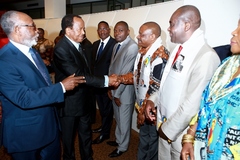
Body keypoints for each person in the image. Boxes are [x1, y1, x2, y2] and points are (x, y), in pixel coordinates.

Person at [0, 10, 85, 160]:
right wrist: (62, 87)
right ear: (18, 29)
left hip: (49, 127)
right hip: (26, 134)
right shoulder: (4, 61)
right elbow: (24, 98)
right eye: (32, 26)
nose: (37, 30)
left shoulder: (32, 52)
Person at [145, 5, 220, 159]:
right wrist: (152, 100)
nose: (169, 28)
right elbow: (166, 84)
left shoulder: (206, 56)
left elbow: (194, 102)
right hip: (164, 126)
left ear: (186, 25)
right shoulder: (178, 49)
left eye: (172, 23)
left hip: (179, 135)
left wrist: (167, 129)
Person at [52, 14, 118, 160]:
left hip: (84, 101)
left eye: (84, 28)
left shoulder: (79, 45)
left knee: (86, 136)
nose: (84, 32)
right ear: (68, 31)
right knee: (68, 142)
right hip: (69, 104)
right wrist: (107, 80)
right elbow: (80, 75)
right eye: (80, 29)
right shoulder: (61, 48)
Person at [181, 18, 240, 160]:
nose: (233, 32)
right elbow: (206, 103)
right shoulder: (226, 65)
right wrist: (190, 136)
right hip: (204, 151)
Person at [117, 22, 169, 160]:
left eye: (142, 34)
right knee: (144, 138)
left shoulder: (160, 56)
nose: (138, 37)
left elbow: (155, 88)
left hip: (152, 111)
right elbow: (137, 76)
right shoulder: (143, 52)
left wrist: (142, 111)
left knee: (152, 142)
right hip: (142, 106)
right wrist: (119, 78)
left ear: (152, 36)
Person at [107, 21, 138, 158]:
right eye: (115, 31)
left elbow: (125, 72)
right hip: (114, 89)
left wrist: (117, 93)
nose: (117, 33)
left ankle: (123, 147)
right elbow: (112, 68)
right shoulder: (115, 45)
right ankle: (119, 140)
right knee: (118, 119)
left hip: (124, 92)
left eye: (120, 30)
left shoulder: (132, 47)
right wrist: (109, 88)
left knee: (124, 121)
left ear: (127, 32)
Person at [91, 21, 116, 144]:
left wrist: (110, 86)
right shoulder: (95, 44)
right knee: (101, 108)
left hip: (108, 84)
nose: (102, 31)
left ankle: (105, 133)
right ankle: (103, 127)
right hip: (96, 83)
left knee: (107, 109)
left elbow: (114, 66)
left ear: (109, 30)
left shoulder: (115, 44)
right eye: (100, 29)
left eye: (104, 29)